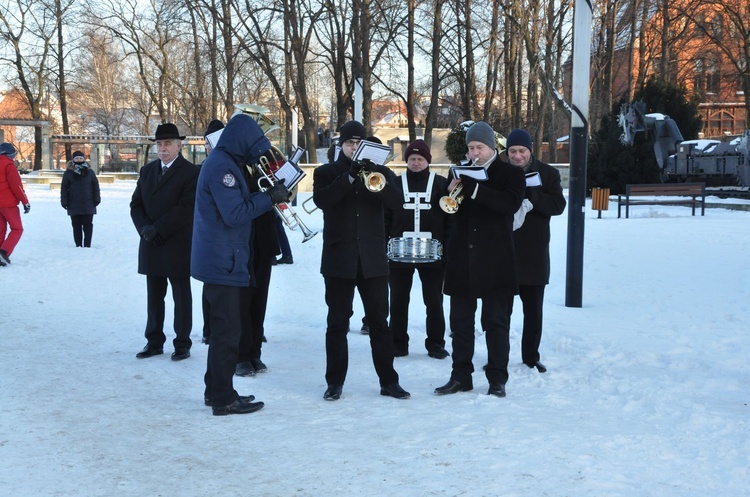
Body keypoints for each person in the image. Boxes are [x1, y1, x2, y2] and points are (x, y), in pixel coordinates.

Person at [191, 113, 290, 415]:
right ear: (242, 141)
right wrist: (269, 198)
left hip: (224, 258)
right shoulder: (223, 168)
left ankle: (217, 390)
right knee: (227, 332)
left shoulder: (225, 162)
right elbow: (234, 214)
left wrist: (263, 194)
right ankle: (222, 398)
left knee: (225, 329)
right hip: (223, 260)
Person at [312, 120, 410, 401]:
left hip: (373, 260)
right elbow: (322, 200)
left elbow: (396, 202)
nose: (354, 148)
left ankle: (389, 381)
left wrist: (374, 173)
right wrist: (350, 177)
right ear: (340, 145)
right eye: (349, 143)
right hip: (338, 259)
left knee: (380, 322)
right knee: (337, 323)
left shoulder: (382, 173)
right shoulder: (326, 172)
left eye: (358, 143)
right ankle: (335, 382)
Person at [434, 121, 525, 398]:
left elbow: (508, 205)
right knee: (460, 323)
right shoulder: (459, 171)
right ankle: (460, 376)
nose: (475, 153)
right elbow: (446, 212)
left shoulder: (510, 173)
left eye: (480, 147)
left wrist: (474, 189)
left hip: (496, 260)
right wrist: (449, 191)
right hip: (462, 258)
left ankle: (497, 378)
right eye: (471, 147)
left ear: (492, 147)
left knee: (496, 323)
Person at [130, 123, 199, 361]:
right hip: (151, 242)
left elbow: (186, 208)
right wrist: (144, 229)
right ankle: (154, 341)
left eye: (168, 143)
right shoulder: (147, 171)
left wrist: (157, 228)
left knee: (181, 297)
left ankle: (182, 343)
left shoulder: (191, 172)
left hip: (177, 243)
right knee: (154, 297)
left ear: (179, 146)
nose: (163, 148)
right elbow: (136, 204)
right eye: (159, 144)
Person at [504, 128, 566, 373]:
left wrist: (531, 194)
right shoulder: (500, 172)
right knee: (500, 313)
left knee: (533, 312)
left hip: (534, 253)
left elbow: (558, 205)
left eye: (522, 151)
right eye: (512, 151)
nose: (517, 156)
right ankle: (499, 356)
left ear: (531, 150)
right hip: (504, 252)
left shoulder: (548, 173)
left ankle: (530, 356)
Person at [385, 139, 452, 359]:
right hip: (399, 253)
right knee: (398, 299)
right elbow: (386, 216)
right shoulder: (394, 183)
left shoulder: (441, 184)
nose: (416, 163)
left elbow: (449, 216)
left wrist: (446, 248)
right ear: (406, 160)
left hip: (432, 254)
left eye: (420, 159)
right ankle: (398, 343)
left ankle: (435, 343)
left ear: (428, 161)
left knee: (434, 300)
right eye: (412, 159)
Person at [235, 147, 284, 377]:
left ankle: (255, 352)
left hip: (263, 241)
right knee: (242, 302)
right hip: (242, 242)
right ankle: (241, 356)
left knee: (259, 301)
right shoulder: (232, 166)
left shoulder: (262, 165)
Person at [199, 119, 225, 345]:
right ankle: (208, 329)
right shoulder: (204, 168)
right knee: (209, 287)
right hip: (208, 235)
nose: (209, 146)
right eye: (208, 142)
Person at [60, 151, 101, 248]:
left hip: (89, 203)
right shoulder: (68, 173)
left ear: (84, 159)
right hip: (73, 204)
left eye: (80, 158)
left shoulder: (90, 172)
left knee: (88, 226)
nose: (79, 160)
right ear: (73, 159)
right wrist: (64, 201)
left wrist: (97, 199)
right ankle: (78, 245)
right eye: (77, 158)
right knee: (76, 226)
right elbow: (64, 188)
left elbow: (95, 186)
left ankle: (87, 245)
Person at [0, 143, 30, 267]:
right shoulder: (8, 165)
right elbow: (16, 186)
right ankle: (4, 251)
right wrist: (25, 201)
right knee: (17, 228)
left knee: (1, 229)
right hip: (8, 203)